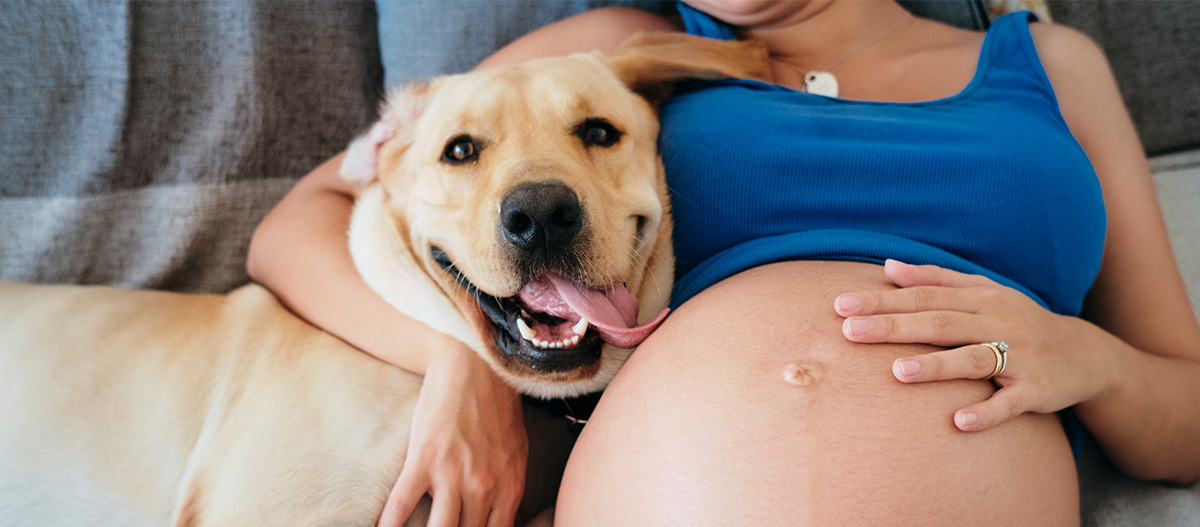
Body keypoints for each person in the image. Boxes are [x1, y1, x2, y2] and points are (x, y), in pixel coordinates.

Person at [247, 0, 1200, 525]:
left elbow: (1186, 418)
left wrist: (1085, 355)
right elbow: (302, 222)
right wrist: (470, 354)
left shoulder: (1050, 64)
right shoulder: (613, 48)